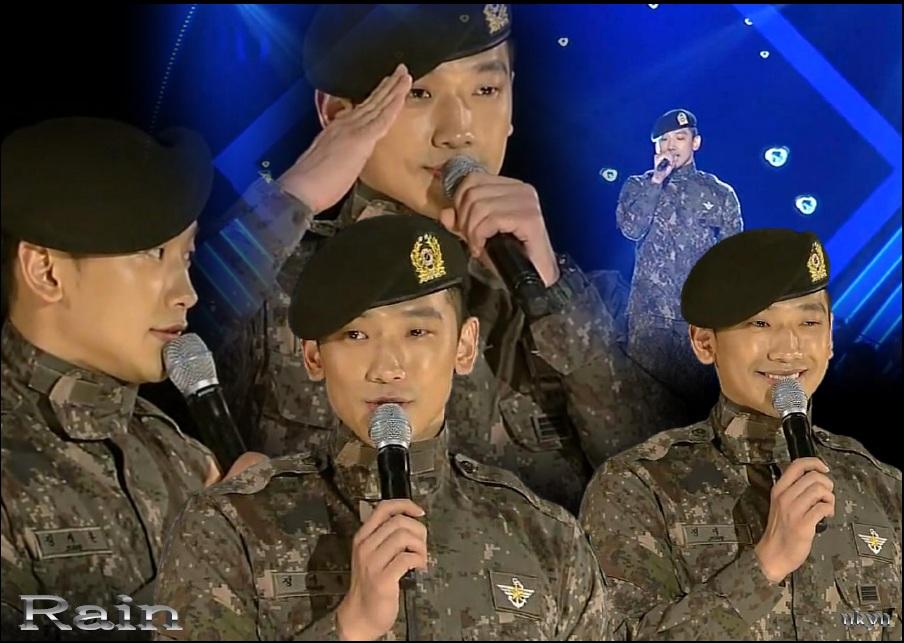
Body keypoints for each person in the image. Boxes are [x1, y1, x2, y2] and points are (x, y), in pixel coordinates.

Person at [214, 3, 686, 514]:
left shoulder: (583, 300)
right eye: (419, 93)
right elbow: (173, 330)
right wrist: (293, 198)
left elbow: (667, 488)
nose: (459, 131)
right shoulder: (272, 284)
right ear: (337, 114)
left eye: (486, 90)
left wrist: (553, 295)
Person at [153, 214, 609, 640]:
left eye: (417, 332)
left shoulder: (543, 536)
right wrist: (349, 625)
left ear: (465, 346)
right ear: (313, 356)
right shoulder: (233, 525)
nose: (388, 368)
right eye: (356, 335)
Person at [579, 228, 901, 640]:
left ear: (830, 336)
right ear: (704, 342)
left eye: (808, 321)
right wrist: (765, 565)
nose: (788, 348)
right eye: (760, 322)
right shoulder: (638, 487)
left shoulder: (880, 486)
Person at [0, 118, 220, 638]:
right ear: (46, 272)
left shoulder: (182, 456)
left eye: (186, 256)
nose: (185, 292)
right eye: (153, 253)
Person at [617, 108, 742, 408]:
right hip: (650, 318)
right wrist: (657, 181)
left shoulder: (719, 193)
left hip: (697, 321)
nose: (671, 145)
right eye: (664, 140)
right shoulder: (639, 185)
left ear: (695, 142)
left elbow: (733, 258)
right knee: (646, 407)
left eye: (680, 138)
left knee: (693, 408)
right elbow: (631, 229)